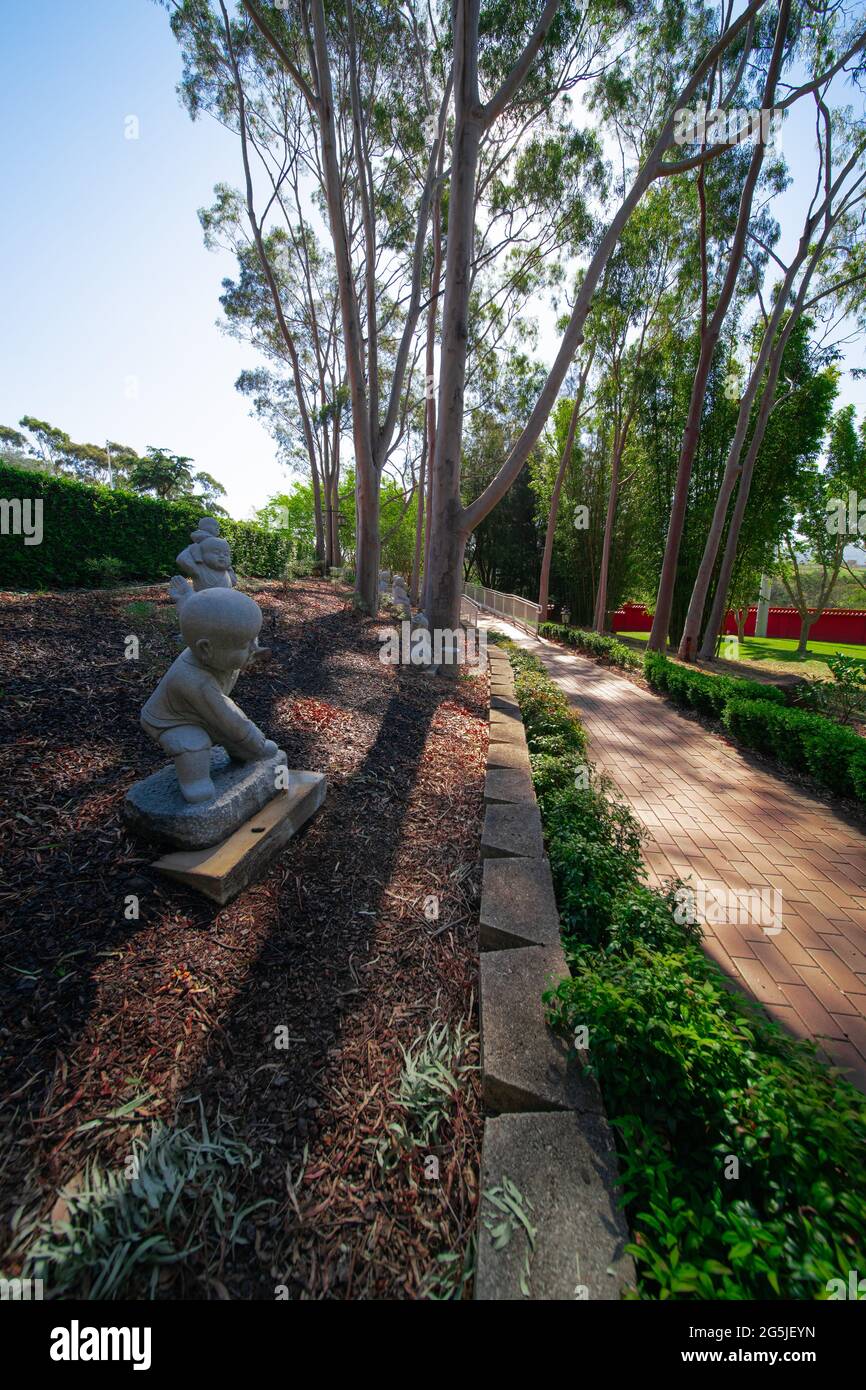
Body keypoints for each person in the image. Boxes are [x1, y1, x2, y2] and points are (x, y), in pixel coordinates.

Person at [140, 588, 281, 803]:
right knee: (194, 740)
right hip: (172, 720)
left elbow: (223, 718)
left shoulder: (217, 658)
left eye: (255, 639)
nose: (255, 648)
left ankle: (243, 752)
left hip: (202, 712)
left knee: (225, 732)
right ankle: (194, 782)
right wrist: (257, 742)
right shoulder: (194, 680)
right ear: (206, 649)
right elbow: (230, 717)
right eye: (245, 644)